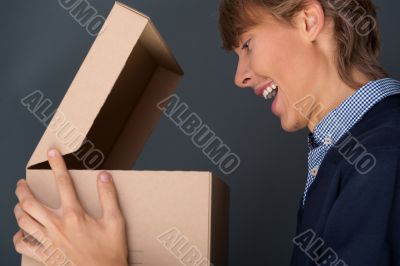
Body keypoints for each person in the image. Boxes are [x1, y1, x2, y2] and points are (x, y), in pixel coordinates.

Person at [13, 0, 400, 265]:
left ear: (308, 20)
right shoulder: (341, 151)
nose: (240, 76)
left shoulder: (383, 157)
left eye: (248, 45)